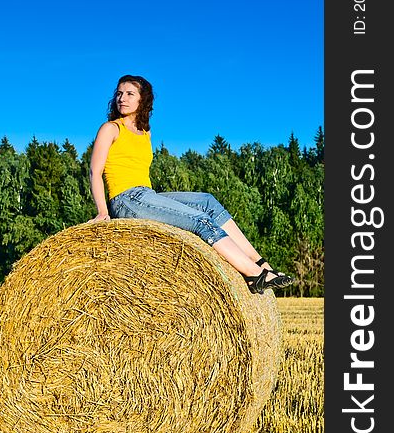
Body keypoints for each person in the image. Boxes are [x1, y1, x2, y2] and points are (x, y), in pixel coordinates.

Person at [88, 74, 293, 294]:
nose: (122, 98)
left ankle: (261, 262)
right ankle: (253, 274)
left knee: (207, 202)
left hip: (146, 194)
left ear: (143, 100)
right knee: (200, 221)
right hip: (126, 199)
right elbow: (95, 171)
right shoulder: (110, 128)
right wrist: (102, 211)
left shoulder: (145, 133)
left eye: (130, 94)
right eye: (119, 93)